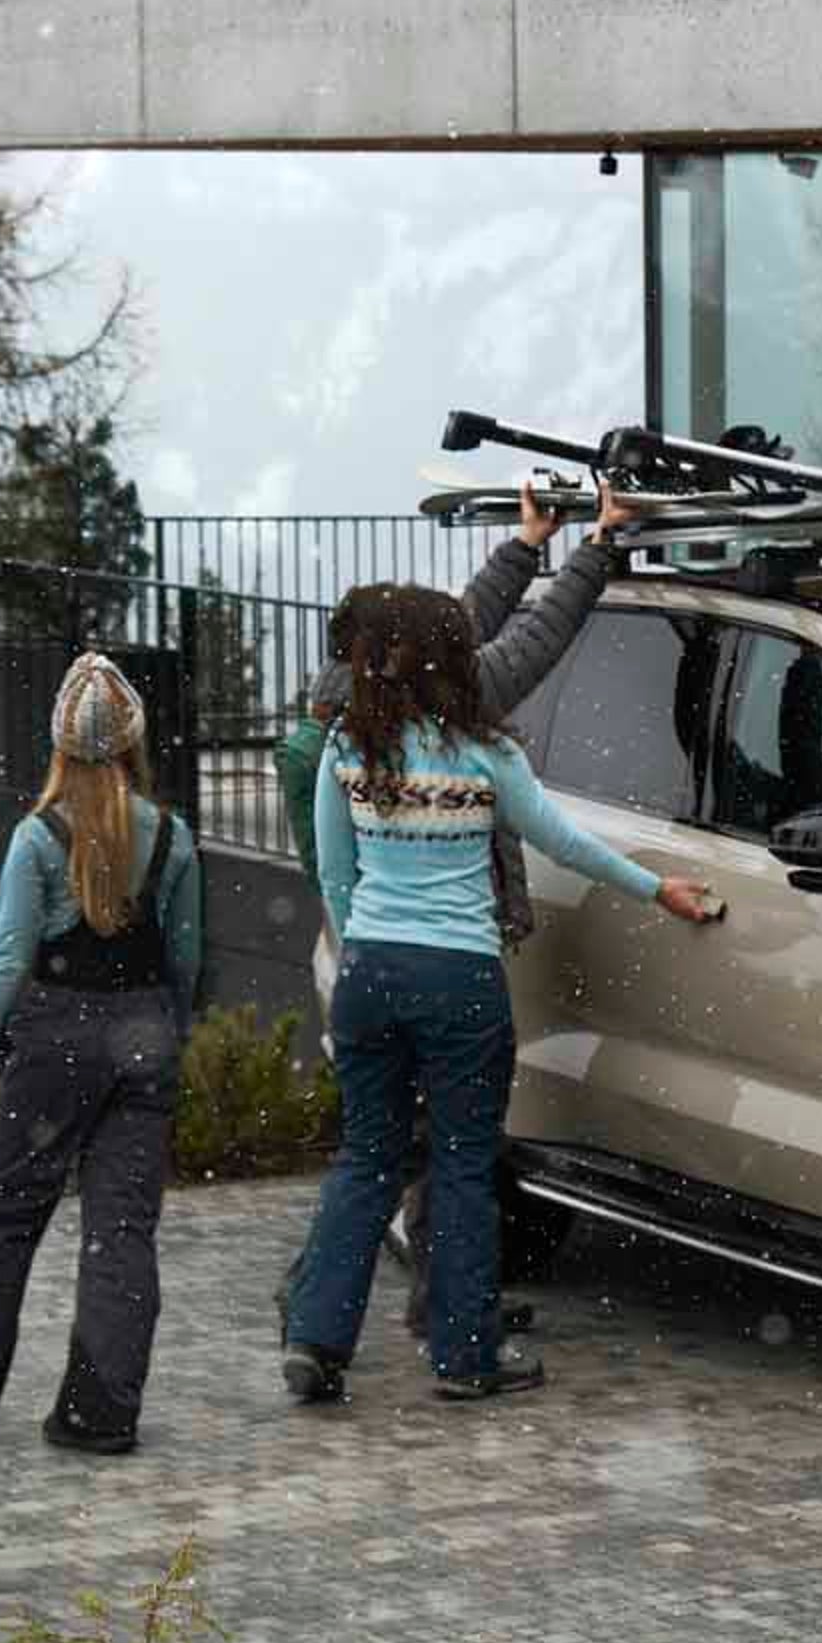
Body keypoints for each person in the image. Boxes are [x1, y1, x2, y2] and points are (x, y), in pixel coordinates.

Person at [281, 582, 718, 1406]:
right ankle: (465, 1355)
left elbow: (337, 876)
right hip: (461, 981)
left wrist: (369, 941)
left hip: (370, 972)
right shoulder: (485, 753)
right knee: (462, 1163)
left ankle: (316, 1338)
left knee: (367, 1159)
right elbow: (564, 841)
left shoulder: (347, 747)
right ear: (455, 661)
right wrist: (657, 889)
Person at [272, 478, 641, 1339]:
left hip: (373, 954)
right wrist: (599, 547)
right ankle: (453, 1324)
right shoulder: (456, 729)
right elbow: (527, 650)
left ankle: (320, 1321)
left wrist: (525, 547)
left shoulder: (356, 703)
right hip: (449, 963)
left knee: (378, 1149)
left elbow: (466, 626)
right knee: (453, 1148)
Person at [0, 653, 203, 1455]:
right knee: (122, 1230)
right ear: (136, 742)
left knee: (5, 1215)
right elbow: (186, 960)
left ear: (59, 747)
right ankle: (99, 1412)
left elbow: (6, 959)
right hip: (142, 1042)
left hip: (53, 1044)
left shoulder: (38, 837)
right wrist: (167, 1041)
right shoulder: (172, 837)